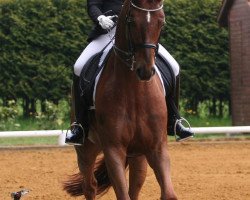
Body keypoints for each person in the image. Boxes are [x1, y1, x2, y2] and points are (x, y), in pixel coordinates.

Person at [65, 0, 194, 145]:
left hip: (137, 32)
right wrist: (100, 18)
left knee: (174, 66)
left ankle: (175, 120)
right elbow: (93, 5)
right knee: (79, 66)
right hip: (108, 31)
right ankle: (80, 125)